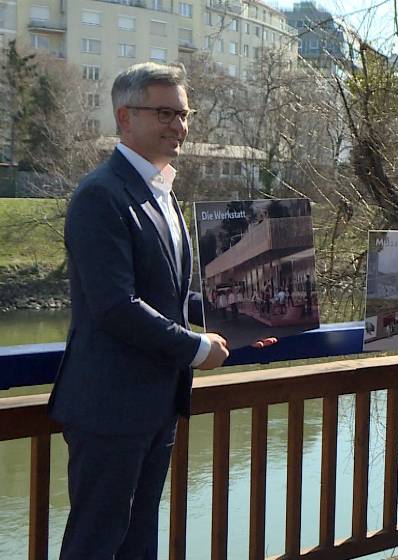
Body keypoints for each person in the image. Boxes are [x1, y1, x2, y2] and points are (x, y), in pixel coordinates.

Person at [47, 62, 232, 560]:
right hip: (109, 407)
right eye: (166, 113)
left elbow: (169, 296)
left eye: (184, 113)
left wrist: (233, 315)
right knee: (96, 542)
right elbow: (115, 306)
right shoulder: (100, 195)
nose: (180, 125)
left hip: (157, 405)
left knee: (138, 541)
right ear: (125, 117)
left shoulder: (163, 192)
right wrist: (196, 347)